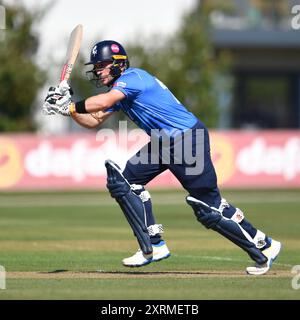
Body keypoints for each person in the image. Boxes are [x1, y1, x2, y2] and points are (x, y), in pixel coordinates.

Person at [42, 40, 281, 275]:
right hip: (163, 142)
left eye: (102, 65)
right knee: (124, 183)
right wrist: (66, 109)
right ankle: (154, 245)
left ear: (118, 64)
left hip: (187, 140)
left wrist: (71, 106)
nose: (97, 70)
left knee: (209, 208)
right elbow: (93, 120)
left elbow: (102, 102)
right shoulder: (121, 90)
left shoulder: (132, 79)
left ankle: (264, 248)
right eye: (96, 66)